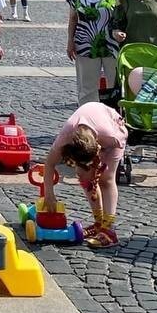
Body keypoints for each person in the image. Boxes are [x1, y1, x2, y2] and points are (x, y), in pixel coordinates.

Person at [42, 101, 128, 248]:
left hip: (115, 132)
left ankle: (108, 229)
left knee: (106, 179)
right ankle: (98, 222)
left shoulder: (111, 136)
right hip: (89, 135)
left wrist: (99, 168)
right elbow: (49, 164)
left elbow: (121, 139)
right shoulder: (66, 137)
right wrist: (49, 194)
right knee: (85, 178)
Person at [66, 0, 125, 104]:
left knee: (116, 85)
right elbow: (73, 18)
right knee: (87, 87)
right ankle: (88, 122)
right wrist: (70, 41)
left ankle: (115, 121)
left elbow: (125, 17)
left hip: (113, 44)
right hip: (85, 43)